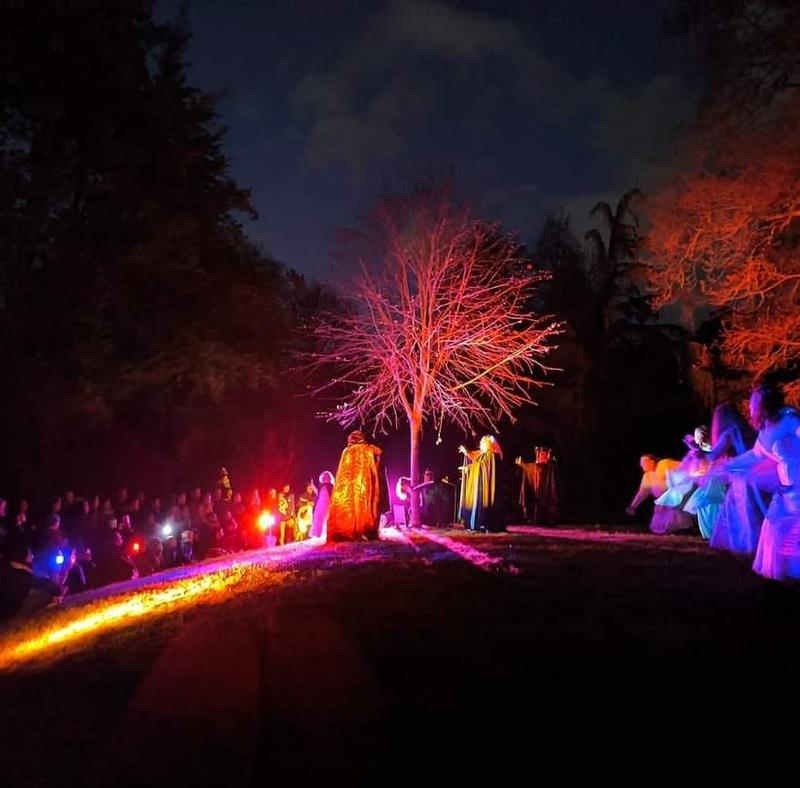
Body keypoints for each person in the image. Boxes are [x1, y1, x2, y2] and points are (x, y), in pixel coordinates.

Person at [710, 384, 800, 556]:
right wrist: (728, 465)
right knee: (778, 530)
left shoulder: (790, 422)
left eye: (753, 405)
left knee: (789, 530)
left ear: (763, 408)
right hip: (787, 487)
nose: (750, 409)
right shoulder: (765, 431)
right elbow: (755, 455)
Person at [684, 403, 753, 539]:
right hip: (751, 472)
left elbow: (713, 455)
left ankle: (739, 540)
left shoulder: (729, 433)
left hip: (740, 476)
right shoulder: (744, 431)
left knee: (737, 508)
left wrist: (695, 449)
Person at [326, 431, 383, 542]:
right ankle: (361, 530)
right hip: (362, 484)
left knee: (348, 507)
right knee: (360, 505)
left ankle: (344, 530)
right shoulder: (366, 449)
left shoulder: (346, 451)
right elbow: (380, 452)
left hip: (346, 488)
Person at [625, 454, 683, 533]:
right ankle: (667, 530)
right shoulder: (647, 476)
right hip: (663, 502)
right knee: (659, 521)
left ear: (651, 461)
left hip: (678, 497)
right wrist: (633, 506)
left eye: (644, 462)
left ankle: (680, 529)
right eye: (641, 463)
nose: (642, 464)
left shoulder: (665, 464)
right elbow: (642, 493)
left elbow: (684, 467)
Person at [458, 435, 503, 532]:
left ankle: (482, 524)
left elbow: (483, 465)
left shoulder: (490, 454)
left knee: (481, 504)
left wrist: (468, 468)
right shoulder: (483, 454)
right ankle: (474, 524)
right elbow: (475, 456)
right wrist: (466, 453)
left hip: (484, 485)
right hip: (479, 483)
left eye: (482, 443)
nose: (480, 445)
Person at [311, 471, 334, 539]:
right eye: (325, 477)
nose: (326, 478)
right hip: (320, 504)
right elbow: (318, 494)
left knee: (326, 518)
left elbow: (333, 495)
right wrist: (313, 486)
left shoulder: (331, 486)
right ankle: (318, 533)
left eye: (327, 477)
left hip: (328, 504)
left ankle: (326, 533)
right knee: (318, 517)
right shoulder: (321, 486)